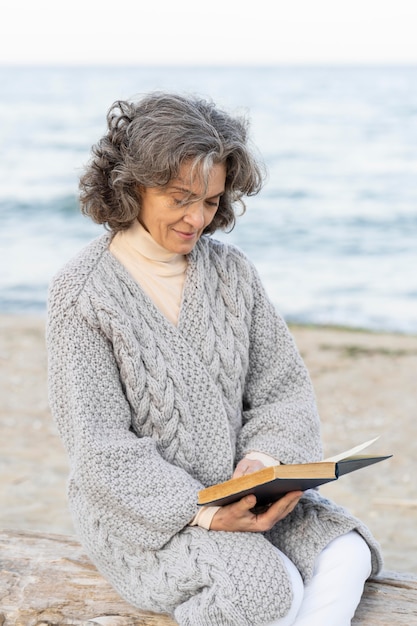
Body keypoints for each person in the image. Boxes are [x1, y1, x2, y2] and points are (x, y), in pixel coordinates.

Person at [47, 91, 382, 626]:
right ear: (131, 185)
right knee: (266, 591)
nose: (196, 218)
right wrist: (202, 509)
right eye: (180, 198)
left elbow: (282, 390)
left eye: (209, 201)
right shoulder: (82, 295)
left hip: (247, 496)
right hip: (147, 518)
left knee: (347, 553)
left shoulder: (233, 274)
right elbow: (99, 448)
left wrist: (265, 462)